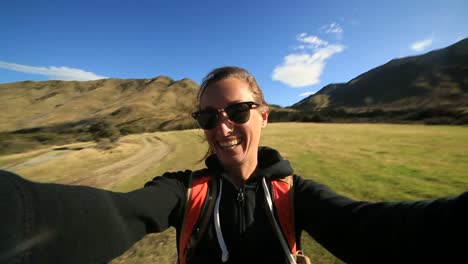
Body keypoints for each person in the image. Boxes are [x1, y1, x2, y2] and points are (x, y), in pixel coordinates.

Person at [0, 66, 467, 264]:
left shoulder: (293, 194)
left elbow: (372, 229)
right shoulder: (184, 191)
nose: (222, 128)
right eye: (208, 117)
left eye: (237, 112)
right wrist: (16, 216)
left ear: (263, 116)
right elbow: (118, 213)